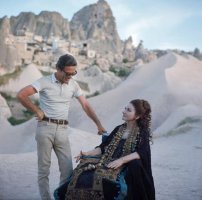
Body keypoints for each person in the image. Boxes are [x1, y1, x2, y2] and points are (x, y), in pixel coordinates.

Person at [17, 54, 106, 200]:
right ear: (58, 69)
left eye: (73, 73)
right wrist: (37, 111)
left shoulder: (73, 85)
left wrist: (98, 124)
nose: (70, 76)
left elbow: (86, 105)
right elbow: (21, 95)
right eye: (67, 73)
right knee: (43, 170)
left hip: (63, 130)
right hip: (45, 128)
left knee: (67, 170)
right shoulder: (44, 81)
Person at [54, 99, 155, 200]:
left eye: (128, 110)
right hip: (107, 160)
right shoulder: (119, 129)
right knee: (83, 174)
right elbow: (103, 148)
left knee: (105, 181)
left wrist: (121, 160)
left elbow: (141, 152)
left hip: (125, 165)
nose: (123, 111)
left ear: (137, 116)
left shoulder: (142, 133)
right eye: (125, 108)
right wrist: (87, 153)